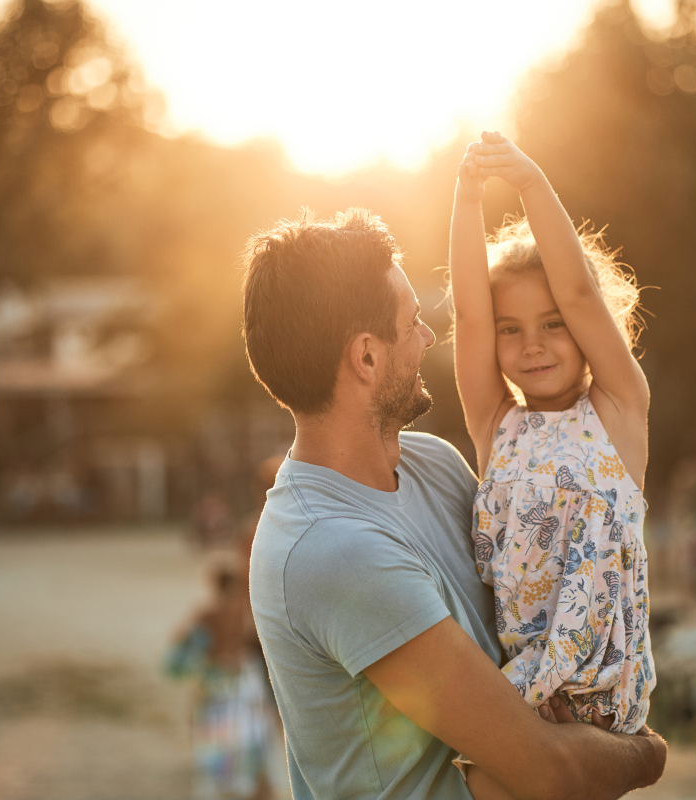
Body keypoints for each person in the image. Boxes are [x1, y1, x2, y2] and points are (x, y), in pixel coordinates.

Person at [243, 208, 667, 800]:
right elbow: (552, 771)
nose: (427, 337)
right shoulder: (330, 550)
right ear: (366, 358)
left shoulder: (435, 465)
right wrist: (645, 753)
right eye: (413, 322)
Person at [448, 131, 654, 742]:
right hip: (520, 698)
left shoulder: (618, 410)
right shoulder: (495, 424)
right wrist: (466, 197)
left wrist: (530, 183)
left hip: (603, 698)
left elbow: (580, 291)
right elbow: (467, 314)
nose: (531, 343)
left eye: (552, 325)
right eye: (510, 329)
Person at [165, 567, 288, 800]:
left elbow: (176, 659)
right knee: (252, 748)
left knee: (221, 746)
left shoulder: (208, 615)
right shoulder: (243, 615)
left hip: (219, 685)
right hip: (240, 686)